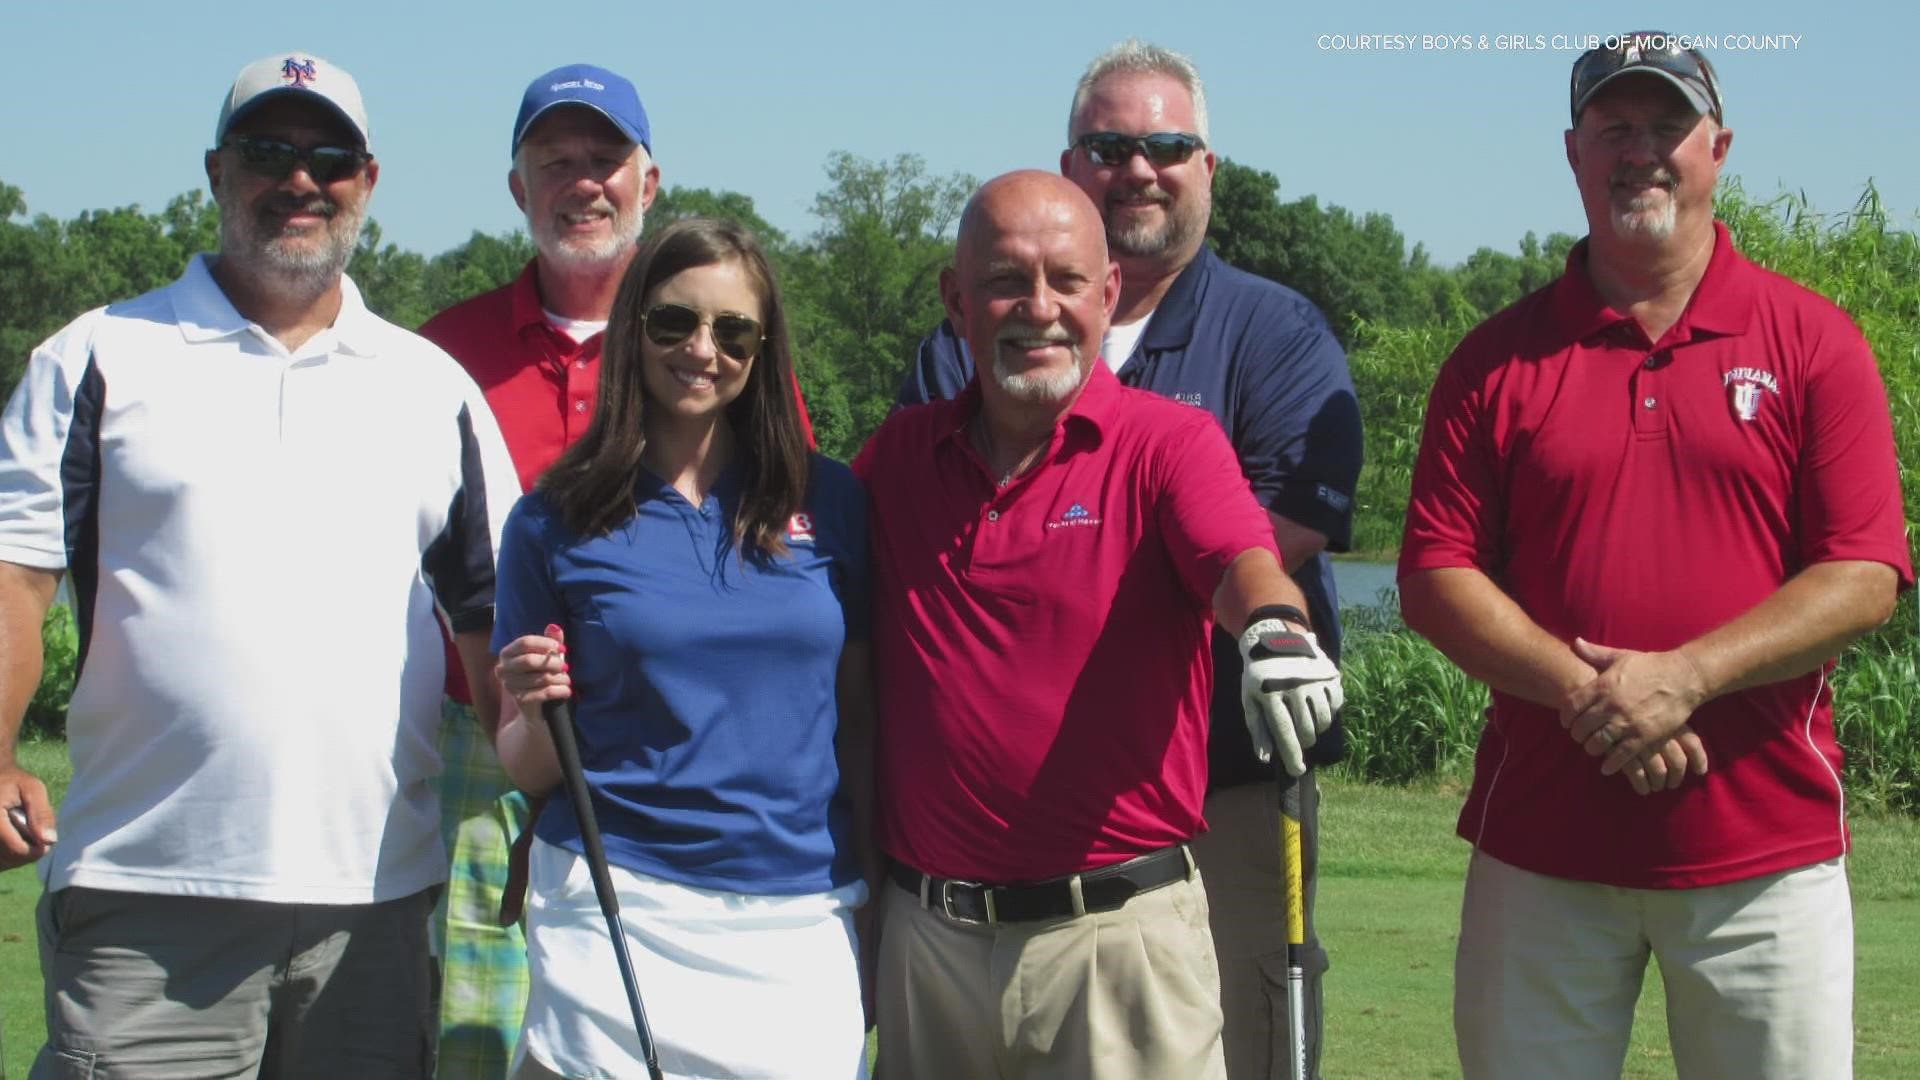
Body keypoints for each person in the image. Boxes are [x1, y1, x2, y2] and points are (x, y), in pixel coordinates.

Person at [1398, 32, 1911, 1080]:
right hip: (1540, 852)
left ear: (1718, 147)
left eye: (1668, 126)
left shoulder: (1816, 341)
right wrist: (1596, 696)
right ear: (1573, 151)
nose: (1643, 151)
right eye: (1614, 128)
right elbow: (1435, 576)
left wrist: (1684, 678)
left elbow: (1864, 574)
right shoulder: (1495, 359)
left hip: (1765, 858)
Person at [0, 52, 520, 1076]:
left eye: (328, 158)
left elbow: (492, 622)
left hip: (374, 901)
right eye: (267, 152)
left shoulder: (433, 388)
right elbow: (17, 576)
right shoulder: (97, 356)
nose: (299, 180)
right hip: (146, 894)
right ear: (215, 171)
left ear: (366, 181)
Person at [897, 39, 1362, 1078]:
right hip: (973, 852)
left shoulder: (1275, 333)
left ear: (1208, 168)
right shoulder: (959, 344)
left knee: (1243, 1031)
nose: (1138, 167)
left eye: (1166, 145)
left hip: (1225, 787)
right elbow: (926, 533)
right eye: (1110, 146)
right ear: (1071, 165)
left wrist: (1267, 620)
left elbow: (1253, 544)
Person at [420, 64, 822, 1075]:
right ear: (519, 188)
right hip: (479, 744)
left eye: (607, 160)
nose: (583, 182)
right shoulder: (440, 355)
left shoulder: (718, 347)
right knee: (474, 1044)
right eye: (556, 162)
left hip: (669, 767)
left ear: (650, 179)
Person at [490, 217, 876, 1079]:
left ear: (762, 348)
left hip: (797, 912)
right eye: (674, 321)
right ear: (634, 328)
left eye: (732, 330)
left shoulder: (836, 501)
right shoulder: (553, 518)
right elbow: (524, 763)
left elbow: (859, 725)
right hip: (614, 904)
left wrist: (880, 896)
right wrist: (532, 704)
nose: (702, 348)